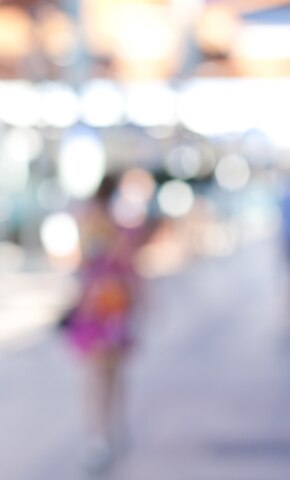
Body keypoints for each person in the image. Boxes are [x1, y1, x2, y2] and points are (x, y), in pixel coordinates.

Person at [64, 175, 143, 473]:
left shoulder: (103, 225)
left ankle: (104, 432)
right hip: (107, 308)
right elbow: (117, 267)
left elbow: (89, 269)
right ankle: (104, 431)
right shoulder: (109, 226)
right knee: (106, 372)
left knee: (103, 372)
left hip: (105, 308)